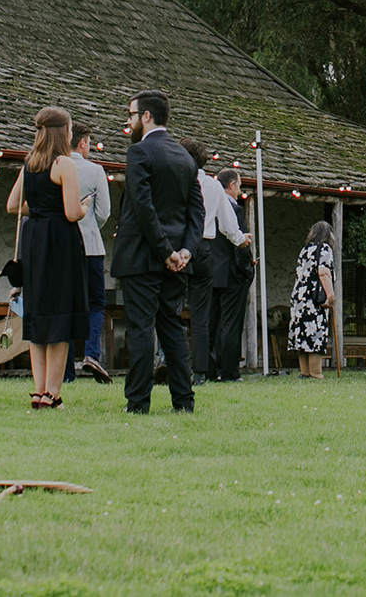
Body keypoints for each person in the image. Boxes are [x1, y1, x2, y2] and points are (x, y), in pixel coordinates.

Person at [111, 90, 200, 413]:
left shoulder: (139, 153)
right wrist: (186, 249)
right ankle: (184, 401)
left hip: (143, 257)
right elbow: (196, 212)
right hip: (177, 259)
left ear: (146, 116)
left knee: (140, 329)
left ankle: (137, 403)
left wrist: (166, 251)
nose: (128, 120)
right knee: (172, 328)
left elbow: (143, 207)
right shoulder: (185, 157)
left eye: (131, 114)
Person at [10, 106, 90, 410]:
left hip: (34, 241)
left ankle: (38, 389)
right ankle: (52, 394)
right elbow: (72, 213)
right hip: (59, 241)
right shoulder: (63, 164)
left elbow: (13, 205)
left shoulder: (29, 163)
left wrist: (41, 208)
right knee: (60, 314)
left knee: (39, 313)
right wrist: (82, 207)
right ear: (63, 131)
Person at [185, 136, 244, 388]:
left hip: (177, 247)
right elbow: (228, 224)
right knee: (201, 316)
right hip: (204, 249)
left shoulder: (177, 180)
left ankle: (168, 361)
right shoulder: (212, 186)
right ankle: (200, 372)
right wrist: (241, 239)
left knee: (170, 307)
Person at [68, 122, 114, 384]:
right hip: (91, 245)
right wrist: (91, 225)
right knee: (95, 303)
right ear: (83, 142)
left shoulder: (55, 166)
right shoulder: (94, 170)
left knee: (65, 305)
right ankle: (91, 354)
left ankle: (64, 369)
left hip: (63, 246)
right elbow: (104, 212)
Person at [207, 169, 254, 382]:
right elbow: (240, 244)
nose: (239, 191)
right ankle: (228, 372)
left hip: (211, 272)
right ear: (232, 185)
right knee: (230, 324)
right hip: (232, 273)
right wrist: (247, 268)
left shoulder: (208, 205)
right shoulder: (234, 209)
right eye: (239, 186)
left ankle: (208, 370)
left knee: (211, 324)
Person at [287, 219, 336, 378]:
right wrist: (330, 294)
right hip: (314, 298)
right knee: (314, 332)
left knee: (302, 334)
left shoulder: (304, 250)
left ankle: (305, 372)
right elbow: (323, 271)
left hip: (299, 296)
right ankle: (316, 373)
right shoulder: (324, 249)